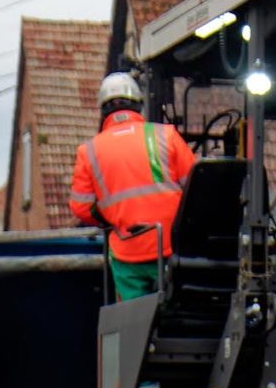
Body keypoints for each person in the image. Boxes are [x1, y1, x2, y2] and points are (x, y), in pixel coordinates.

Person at [69, 70, 198, 301]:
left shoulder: (88, 151)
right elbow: (196, 187)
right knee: (176, 312)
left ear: (103, 110)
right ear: (138, 104)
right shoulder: (165, 135)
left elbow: (81, 208)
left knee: (134, 318)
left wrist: (111, 216)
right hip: (171, 248)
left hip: (127, 253)